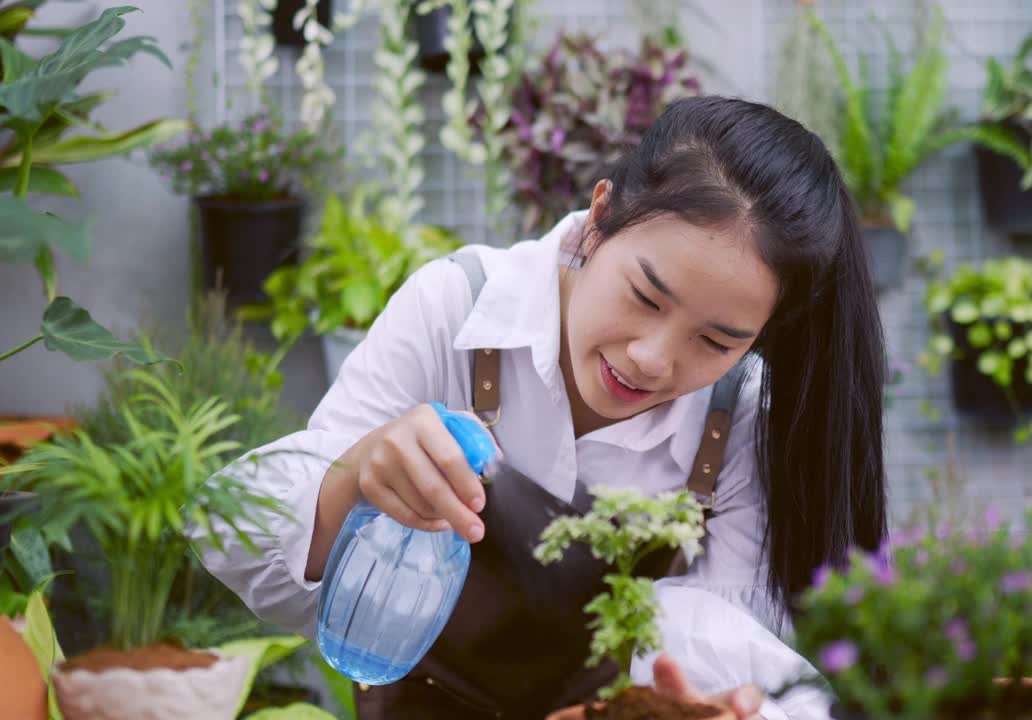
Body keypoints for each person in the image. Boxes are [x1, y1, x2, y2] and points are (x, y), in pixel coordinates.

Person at [196, 95, 887, 719]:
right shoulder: (454, 309)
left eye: (715, 341)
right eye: (646, 296)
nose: (653, 357)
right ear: (599, 219)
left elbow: (742, 653)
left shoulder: (739, 419)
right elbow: (234, 533)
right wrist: (356, 477)